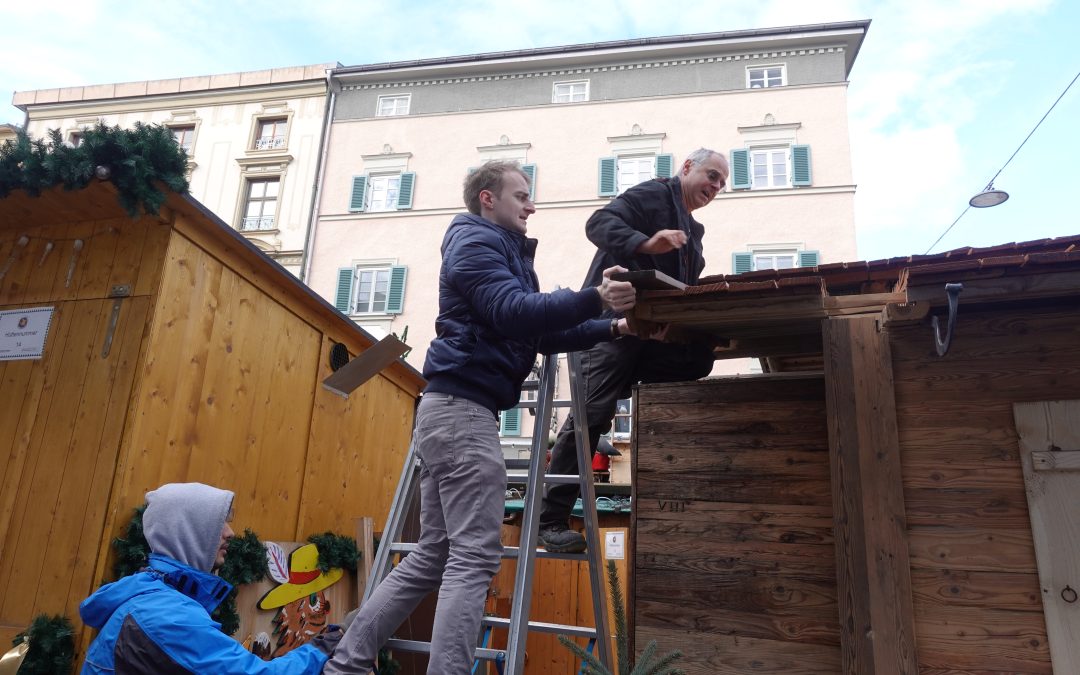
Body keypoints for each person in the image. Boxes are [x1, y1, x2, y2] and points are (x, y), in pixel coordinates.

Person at [323, 160, 637, 675]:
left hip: (453, 413)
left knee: (432, 557)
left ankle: (347, 664)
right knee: (472, 560)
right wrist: (593, 298)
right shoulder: (474, 243)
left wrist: (614, 327)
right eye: (521, 195)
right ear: (488, 199)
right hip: (463, 415)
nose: (531, 205)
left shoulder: (500, 250)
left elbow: (534, 334)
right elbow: (515, 312)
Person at [538, 148, 729, 553]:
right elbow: (598, 223)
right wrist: (645, 244)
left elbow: (680, 288)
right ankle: (549, 520)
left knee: (696, 358)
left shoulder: (694, 233)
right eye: (711, 175)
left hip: (646, 338)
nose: (715, 186)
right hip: (607, 327)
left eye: (722, 183)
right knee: (590, 417)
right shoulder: (654, 194)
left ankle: (634, 399)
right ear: (688, 167)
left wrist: (691, 324)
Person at [80, 482, 340, 674]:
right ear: (187, 533)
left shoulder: (152, 597)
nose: (230, 532)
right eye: (217, 525)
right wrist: (327, 647)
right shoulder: (164, 616)